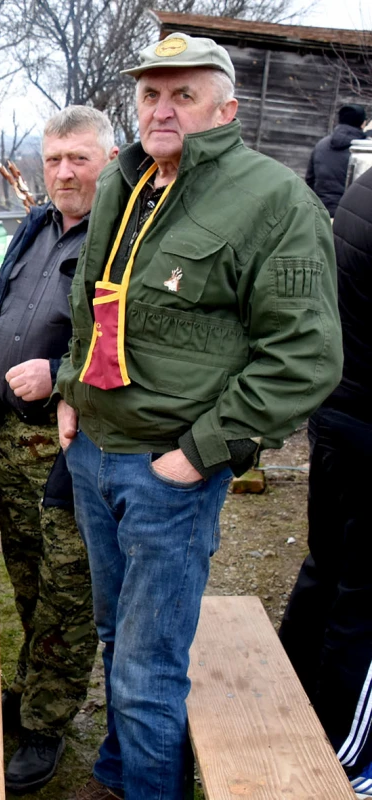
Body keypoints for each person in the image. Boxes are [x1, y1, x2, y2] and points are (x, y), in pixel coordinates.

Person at [54, 34, 342, 800]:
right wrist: (66, 387)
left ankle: (150, 788)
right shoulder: (125, 180)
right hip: (94, 449)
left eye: (183, 94)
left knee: (149, 668)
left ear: (227, 108)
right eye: (151, 94)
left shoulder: (275, 202)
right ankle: (120, 775)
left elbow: (306, 357)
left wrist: (201, 452)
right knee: (117, 638)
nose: (162, 108)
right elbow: (92, 294)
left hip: (168, 473)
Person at [0, 105, 118, 795]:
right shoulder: (37, 225)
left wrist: (62, 371)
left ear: (109, 160)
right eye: (54, 159)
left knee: (68, 592)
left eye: (79, 157)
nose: (64, 171)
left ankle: (47, 723)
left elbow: (130, 340)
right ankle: (30, 689)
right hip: (13, 441)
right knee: (26, 576)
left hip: (70, 446)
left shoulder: (124, 239)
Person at [279, 167, 372, 800]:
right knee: (365, 604)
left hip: (340, 408)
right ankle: (344, 764)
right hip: (368, 424)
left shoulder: (365, 184)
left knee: (328, 568)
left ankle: (287, 697)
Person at [306, 104, 366, 216]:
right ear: (362, 124)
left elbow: (310, 180)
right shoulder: (364, 151)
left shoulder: (321, 144)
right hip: (352, 214)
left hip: (321, 210)